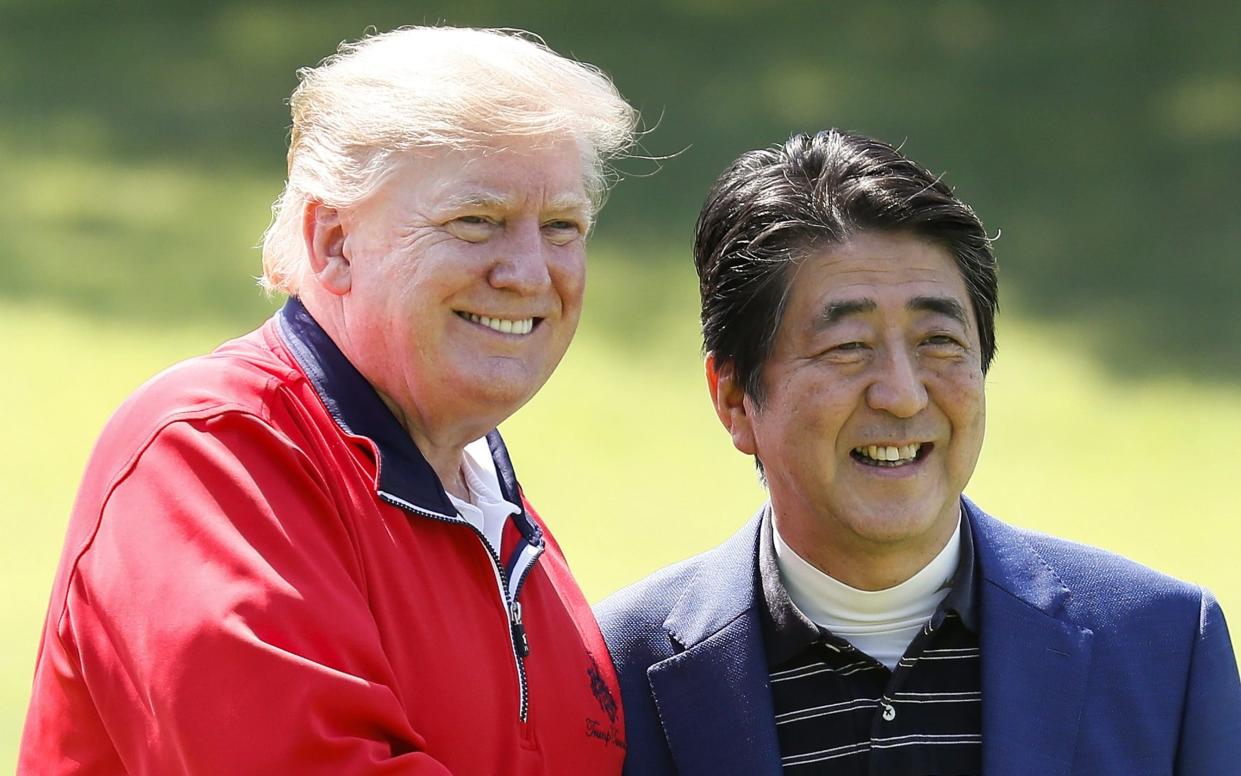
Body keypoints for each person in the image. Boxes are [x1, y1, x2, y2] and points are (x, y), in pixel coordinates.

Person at [22, 26, 636, 774]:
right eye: (477, 221)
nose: (529, 272)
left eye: (562, 227)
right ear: (333, 241)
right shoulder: (214, 450)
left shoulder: (488, 504)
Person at [596, 129, 1241, 775]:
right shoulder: (609, 674)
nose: (902, 397)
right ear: (734, 398)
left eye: (937, 341)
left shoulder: (1164, 647)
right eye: (847, 347)